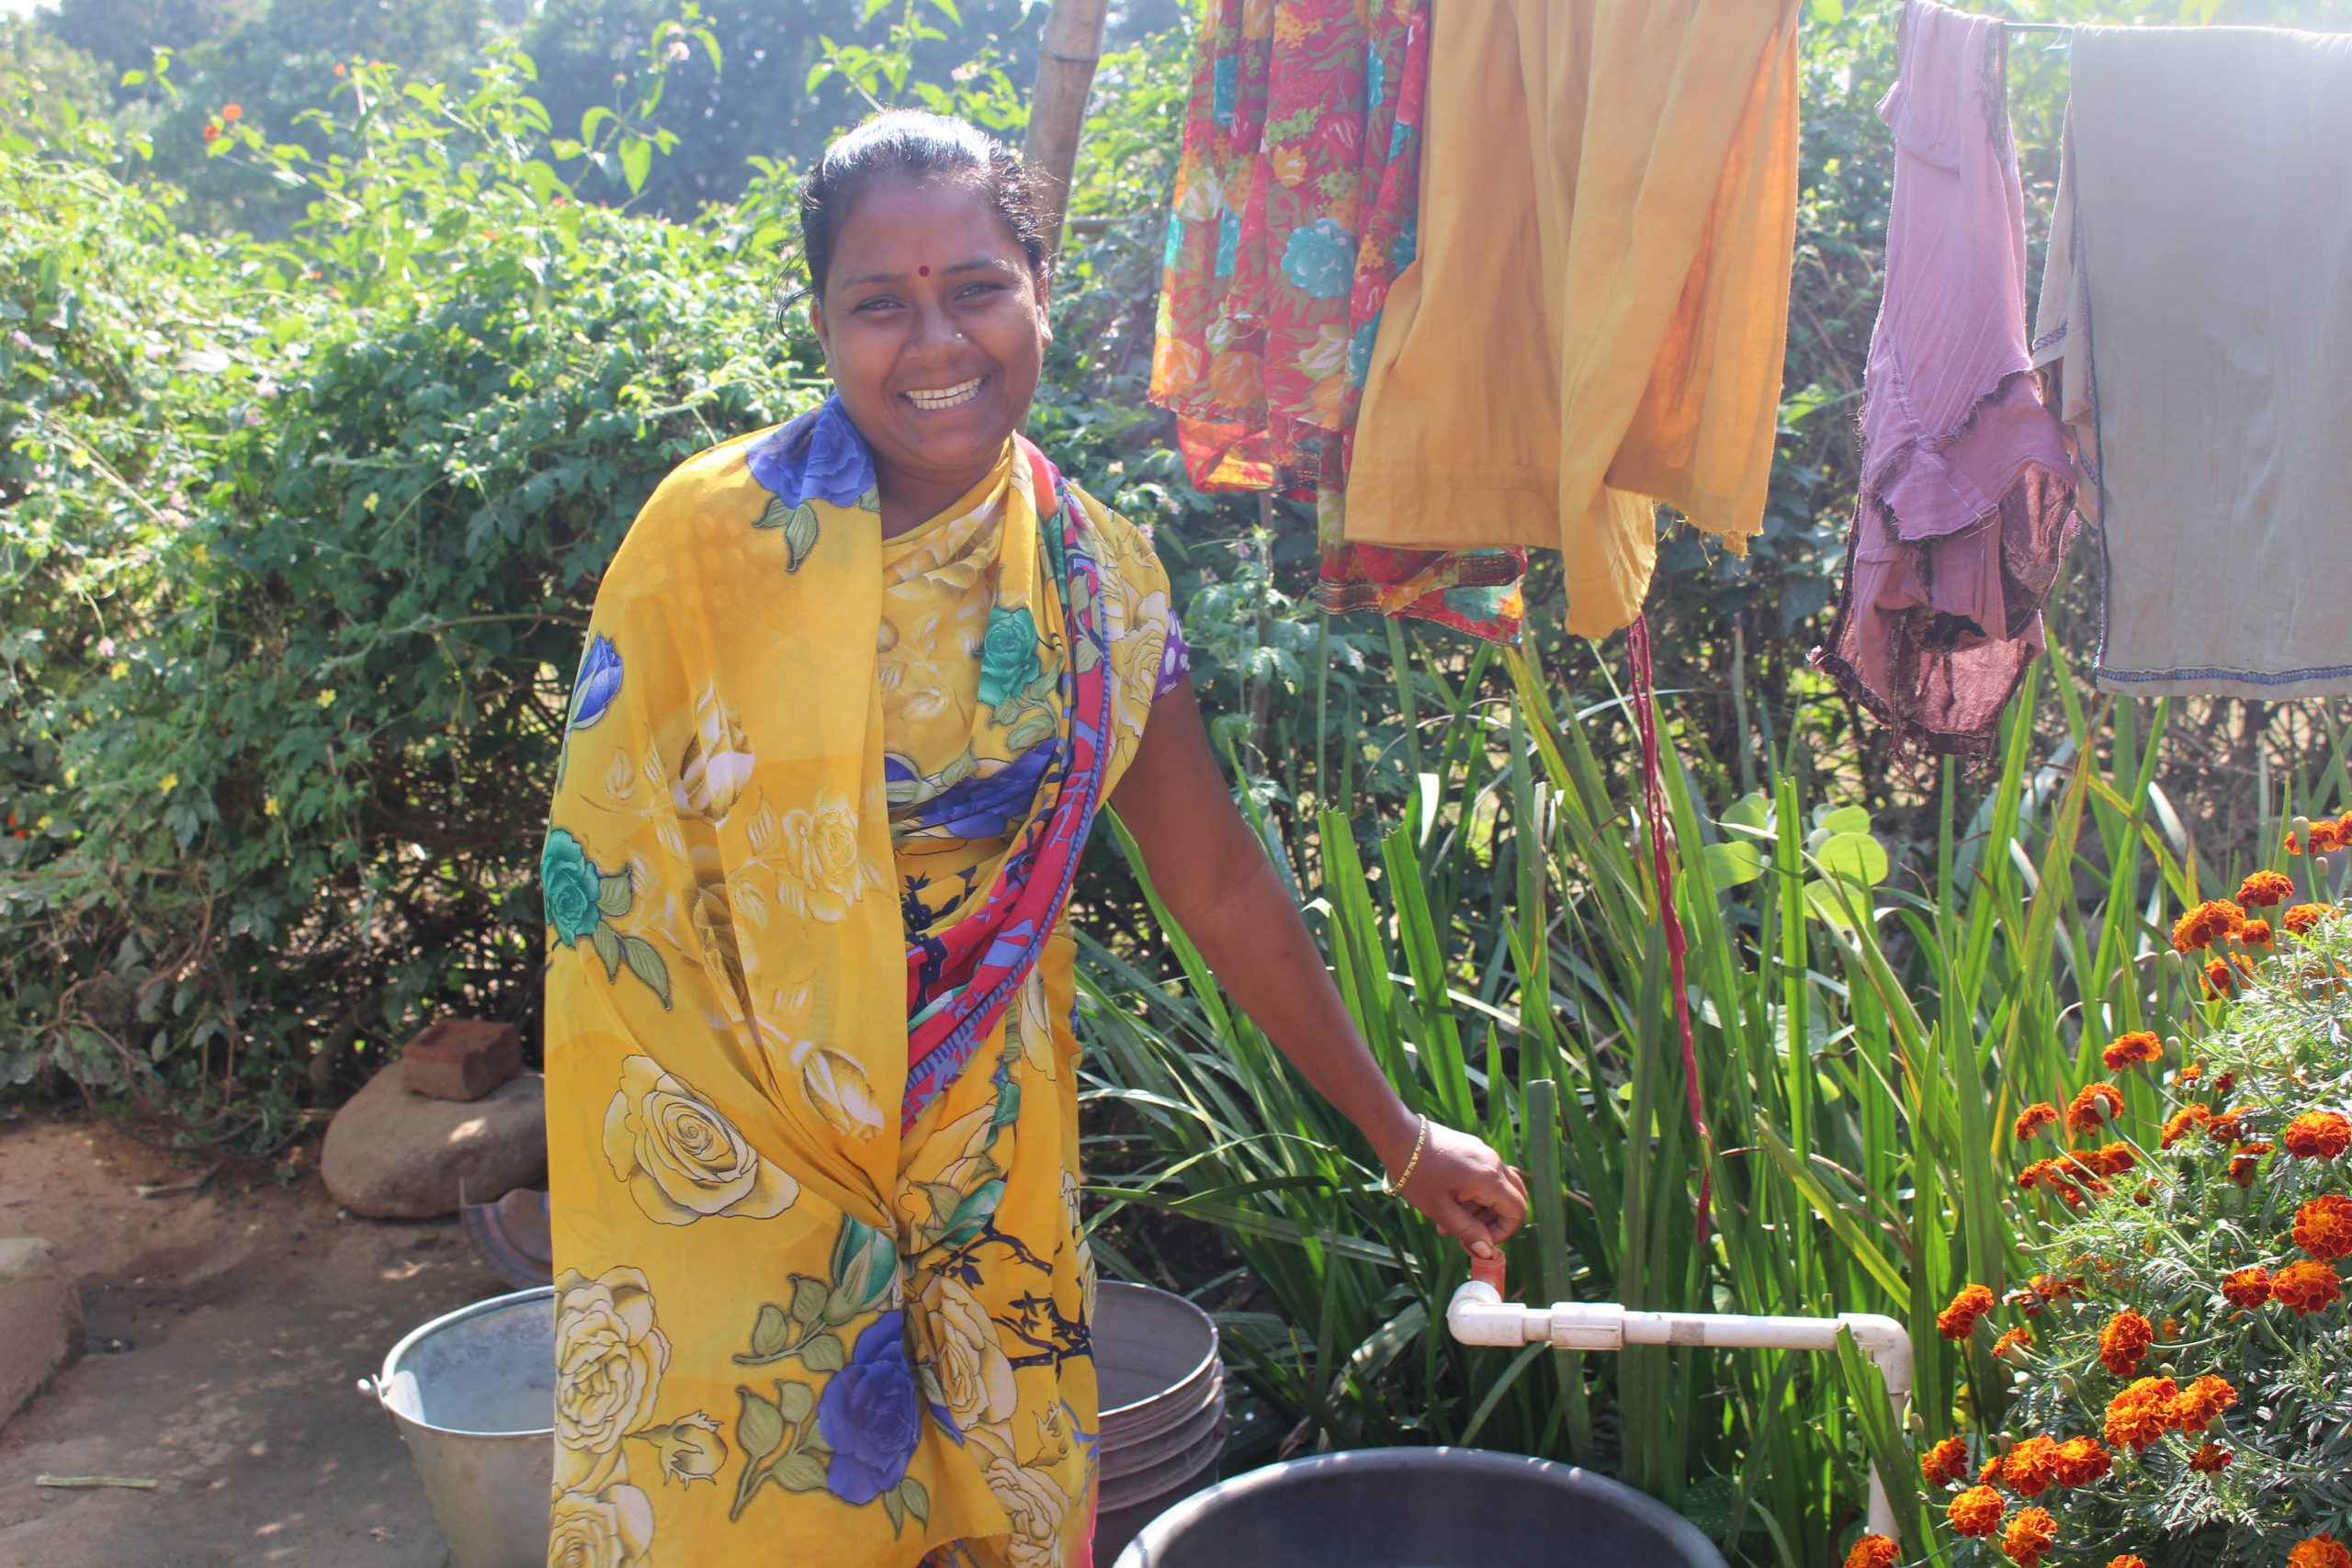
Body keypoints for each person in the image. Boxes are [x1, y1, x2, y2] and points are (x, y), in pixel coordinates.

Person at [539, 109, 1527, 1568]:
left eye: (979, 287)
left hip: (985, 1153)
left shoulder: (1096, 581)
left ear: (1040, 291)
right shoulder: (710, 541)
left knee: (990, 1513)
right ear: (822, 323)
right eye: (882, 303)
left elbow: (1217, 877)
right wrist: (770, 1142)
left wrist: (1398, 1134)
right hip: (735, 1153)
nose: (937, 340)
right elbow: (608, 883)